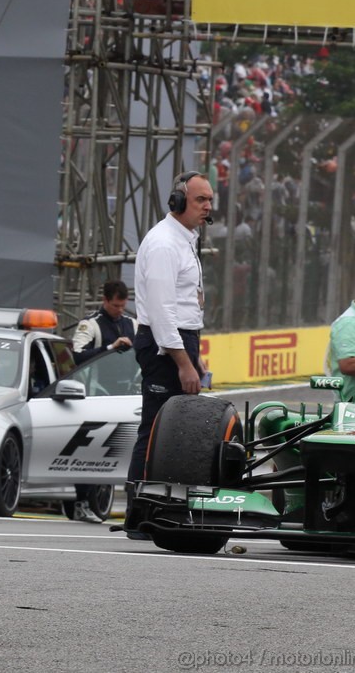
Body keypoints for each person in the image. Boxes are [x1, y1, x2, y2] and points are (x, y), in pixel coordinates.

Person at [127, 172, 214, 508]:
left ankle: (164, 507)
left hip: (180, 343)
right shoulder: (164, 243)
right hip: (164, 347)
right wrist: (183, 363)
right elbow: (163, 312)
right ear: (177, 201)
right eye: (200, 200)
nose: (207, 207)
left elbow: (185, 304)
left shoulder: (185, 238)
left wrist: (195, 357)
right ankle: (139, 509)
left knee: (176, 432)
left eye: (209, 200)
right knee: (156, 429)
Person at [68, 279, 135, 524]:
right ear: (105, 301)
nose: (119, 310)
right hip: (97, 396)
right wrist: (111, 347)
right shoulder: (90, 324)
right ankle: (81, 503)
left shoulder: (132, 324)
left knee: (128, 451)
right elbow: (77, 356)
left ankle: (132, 506)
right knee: (91, 450)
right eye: (115, 305)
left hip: (128, 398)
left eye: (123, 305)